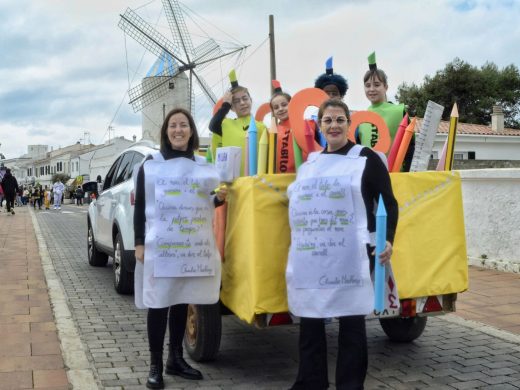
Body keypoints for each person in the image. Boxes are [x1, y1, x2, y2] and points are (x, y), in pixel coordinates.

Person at [286, 99, 398, 390]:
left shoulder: (366, 158)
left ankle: (350, 385)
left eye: (339, 120)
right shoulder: (311, 164)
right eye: (328, 120)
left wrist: (387, 240)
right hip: (316, 256)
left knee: (351, 322)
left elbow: (389, 202)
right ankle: (311, 382)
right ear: (320, 126)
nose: (334, 125)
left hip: (356, 253)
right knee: (311, 319)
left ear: (350, 124)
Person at [134, 108, 227, 389]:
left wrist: (217, 200)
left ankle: (175, 359)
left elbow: (200, 204)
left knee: (180, 300)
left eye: (183, 125)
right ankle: (155, 365)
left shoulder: (202, 166)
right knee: (159, 303)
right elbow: (140, 206)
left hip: (189, 248)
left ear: (191, 131)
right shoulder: (152, 164)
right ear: (166, 131)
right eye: (173, 125)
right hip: (160, 247)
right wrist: (139, 243)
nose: (178, 130)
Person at [357, 52, 415, 171]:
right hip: (370, 178)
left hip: (397, 177)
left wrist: (407, 173)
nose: (372, 89)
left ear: (386, 87)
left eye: (377, 85)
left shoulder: (399, 111)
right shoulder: (361, 119)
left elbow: (411, 146)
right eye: (367, 86)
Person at [208, 70, 267, 175]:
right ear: (232, 108)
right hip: (232, 184)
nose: (242, 103)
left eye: (245, 98)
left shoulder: (261, 126)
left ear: (251, 100)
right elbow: (213, 125)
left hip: (254, 182)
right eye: (236, 101)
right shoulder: (226, 124)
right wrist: (225, 104)